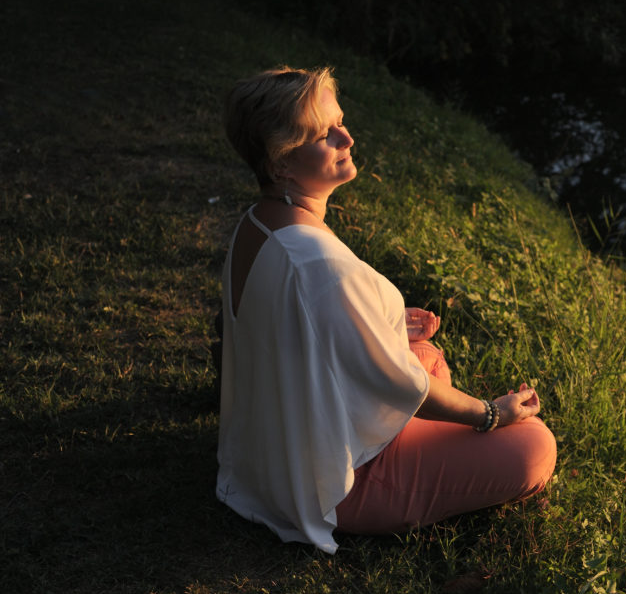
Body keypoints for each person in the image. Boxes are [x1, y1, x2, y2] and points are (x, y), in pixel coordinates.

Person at [216, 66, 556, 553]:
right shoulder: (320, 264)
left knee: (424, 351)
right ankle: (460, 453)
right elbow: (406, 386)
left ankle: (447, 441)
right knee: (535, 447)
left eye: (340, 121)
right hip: (336, 482)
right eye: (324, 134)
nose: (346, 136)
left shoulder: (258, 224)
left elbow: (303, 324)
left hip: (279, 448)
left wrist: (386, 320)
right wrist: (490, 414)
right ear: (281, 164)